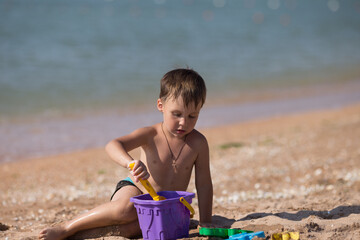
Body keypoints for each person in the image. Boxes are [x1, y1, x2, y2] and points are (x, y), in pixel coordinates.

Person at [39, 68, 213, 240]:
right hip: (135, 189)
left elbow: (204, 184)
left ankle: (81, 235)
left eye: (192, 116)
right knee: (125, 210)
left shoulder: (198, 143)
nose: (183, 122)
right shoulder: (150, 134)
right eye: (176, 114)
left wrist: (205, 221)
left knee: (136, 228)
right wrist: (130, 163)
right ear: (161, 105)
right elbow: (113, 145)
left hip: (162, 204)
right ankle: (67, 227)